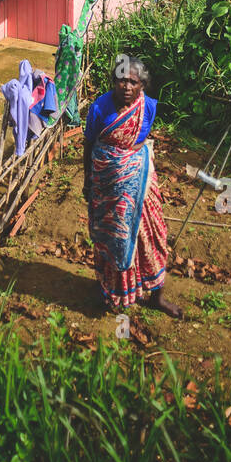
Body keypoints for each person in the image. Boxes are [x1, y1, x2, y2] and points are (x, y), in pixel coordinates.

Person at [82, 56, 181, 317]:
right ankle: (112, 293)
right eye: (121, 80)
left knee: (153, 236)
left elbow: (141, 140)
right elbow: (89, 145)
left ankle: (156, 297)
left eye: (132, 82)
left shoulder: (146, 107)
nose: (126, 86)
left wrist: (131, 164)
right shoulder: (100, 108)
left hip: (141, 185)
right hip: (107, 186)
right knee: (112, 239)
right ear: (114, 82)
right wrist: (87, 182)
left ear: (142, 86)